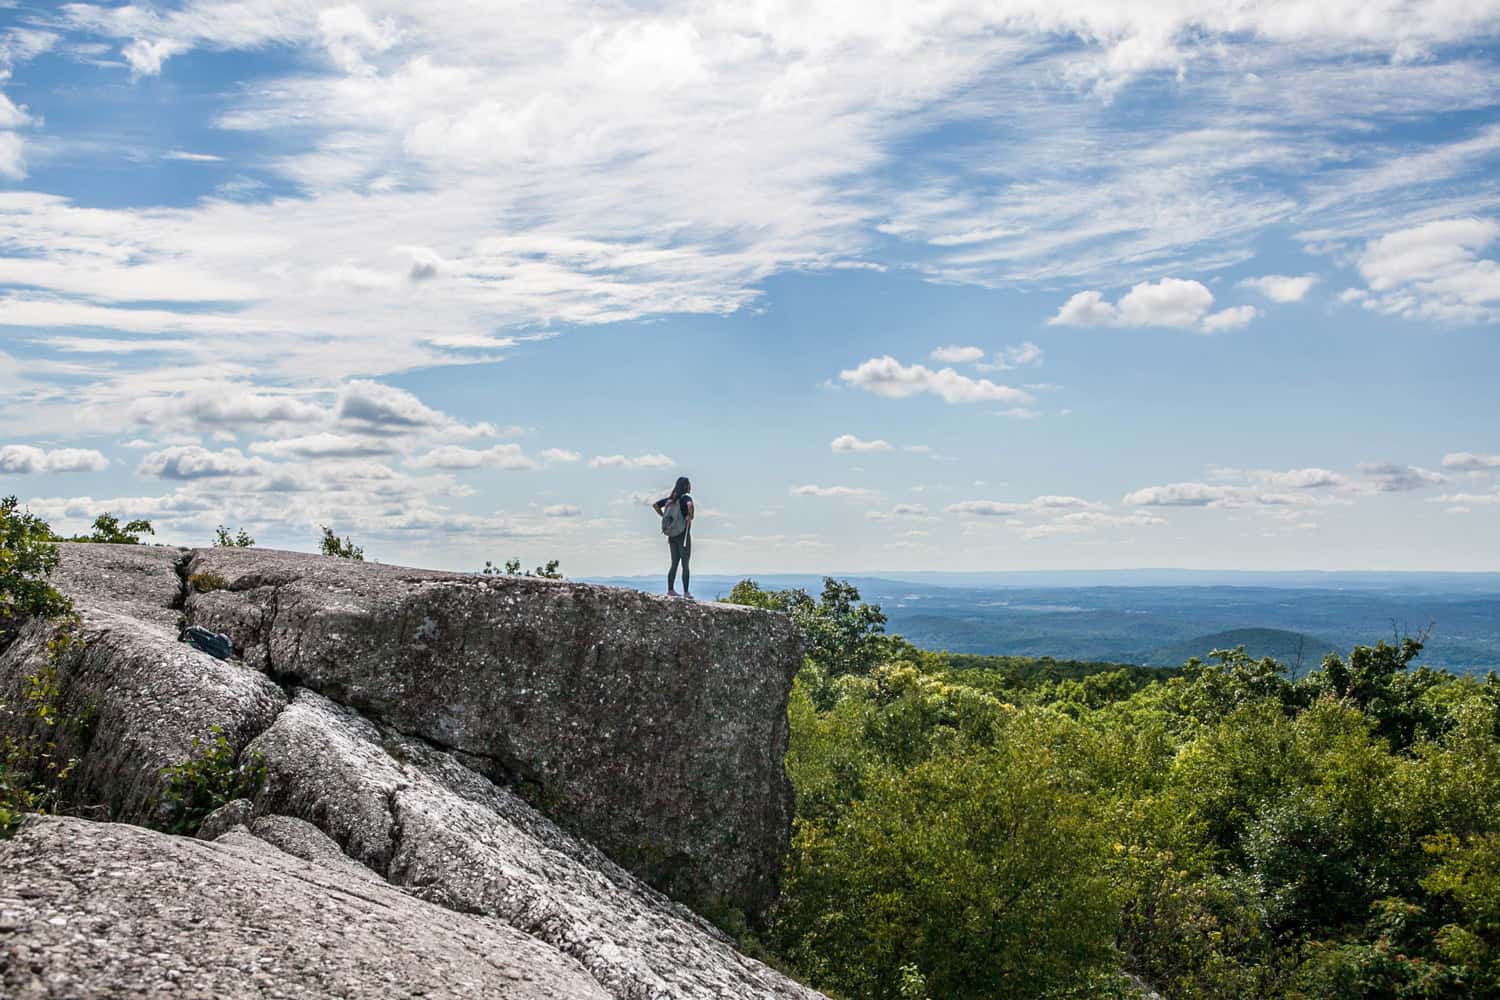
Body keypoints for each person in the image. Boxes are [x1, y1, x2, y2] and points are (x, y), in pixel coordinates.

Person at [651, 476, 694, 598]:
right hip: (683, 535)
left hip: (672, 535)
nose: (691, 486)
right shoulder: (686, 498)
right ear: (686, 486)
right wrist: (690, 515)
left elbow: (655, 505)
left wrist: (663, 516)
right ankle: (686, 592)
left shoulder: (671, 499)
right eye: (689, 484)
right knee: (685, 564)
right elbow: (689, 505)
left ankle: (670, 590)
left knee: (674, 563)